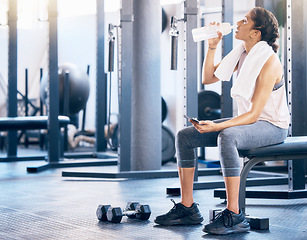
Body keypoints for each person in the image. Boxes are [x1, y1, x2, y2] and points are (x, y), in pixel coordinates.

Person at [154, 7, 290, 235]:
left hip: (272, 126)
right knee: (185, 136)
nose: (238, 22)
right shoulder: (242, 54)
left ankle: (234, 214)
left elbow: (255, 115)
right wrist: (212, 47)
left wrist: (217, 125)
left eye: (245, 20)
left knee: (228, 135)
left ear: (256, 33)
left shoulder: (268, 61)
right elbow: (208, 78)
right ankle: (187, 208)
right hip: (250, 123)